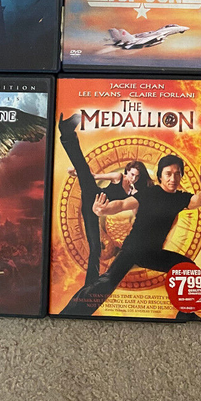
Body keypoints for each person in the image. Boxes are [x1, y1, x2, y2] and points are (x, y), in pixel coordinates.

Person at [59, 142, 201, 317]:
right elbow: (122, 204)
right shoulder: (149, 193)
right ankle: (70, 313)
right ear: (160, 176)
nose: (173, 178)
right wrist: (103, 210)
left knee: (188, 268)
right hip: (133, 249)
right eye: (168, 174)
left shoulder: (180, 198)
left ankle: (186, 313)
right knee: (106, 282)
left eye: (177, 174)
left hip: (152, 253)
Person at [58, 113, 149, 285]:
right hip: (93, 194)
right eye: (131, 174)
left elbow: (135, 210)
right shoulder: (118, 177)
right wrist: (77, 172)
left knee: (95, 247)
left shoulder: (134, 192)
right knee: (84, 169)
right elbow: (93, 176)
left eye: (136, 176)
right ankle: (68, 133)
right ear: (127, 171)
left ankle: (90, 283)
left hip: (94, 211)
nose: (133, 178)